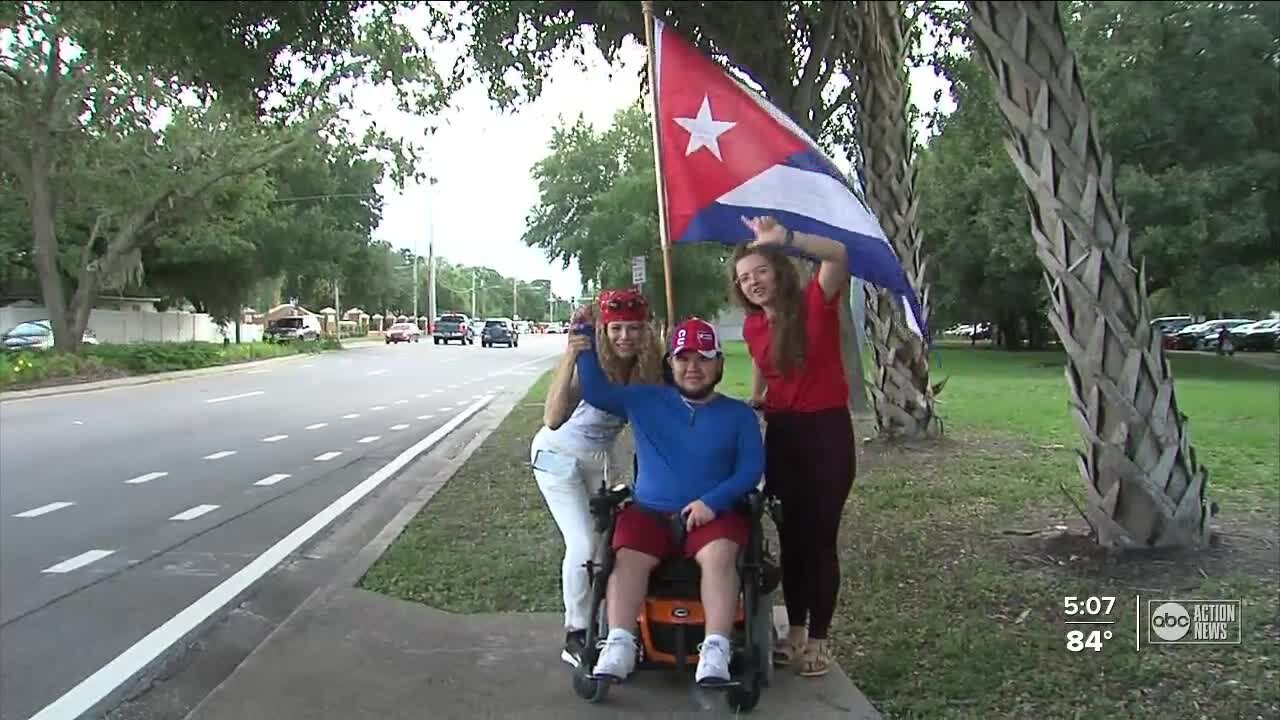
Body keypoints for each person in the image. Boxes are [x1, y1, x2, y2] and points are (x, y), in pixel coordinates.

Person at [569, 317, 764, 687]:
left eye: (703, 358)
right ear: (670, 363)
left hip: (712, 514)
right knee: (626, 556)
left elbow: (751, 469)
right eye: (683, 358)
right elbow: (595, 390)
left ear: (719, 364)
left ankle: (716, 648)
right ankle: (620, 642)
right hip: (650, 512)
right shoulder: (644, 400)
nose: (693, 367)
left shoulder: (738, 415)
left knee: (721, 555)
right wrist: (583, 338)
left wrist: (713, 501)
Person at [730, 215, 856, 678]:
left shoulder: (814, 301)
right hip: (782, 435)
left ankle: (819, 639)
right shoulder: (752, 328)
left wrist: (784, 238)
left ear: (778, 270)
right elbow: (764, 363)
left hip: (826, 434)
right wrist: (759, 394)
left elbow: (840, 253)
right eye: (745, 278)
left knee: (819, 540)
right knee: (789, 538)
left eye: (761, 270)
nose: (754, 282)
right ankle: (796, 629)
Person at [530, 289, 664, 668]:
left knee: (610, 545)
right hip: (557, 457)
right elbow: (553, 419)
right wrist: (570, 356)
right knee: (584, 544)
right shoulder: (592, 367)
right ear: (603, 330)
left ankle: (610, 625)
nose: (625, 337)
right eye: (616, 328)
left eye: (634, 328)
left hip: (598, 460)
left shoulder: (647, 368)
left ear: (646, 330)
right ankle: (575, 633)